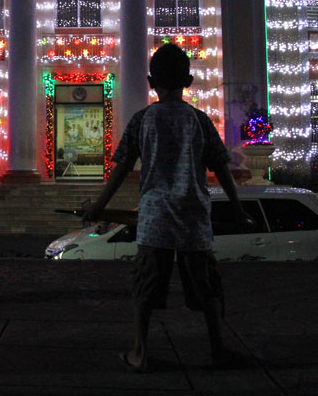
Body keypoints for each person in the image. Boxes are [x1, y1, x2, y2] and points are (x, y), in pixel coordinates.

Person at [84, 43, 255, 373]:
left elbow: (121, 168)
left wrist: (99, 206)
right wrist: (236, 208)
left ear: (150, 82)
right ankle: (217, 349)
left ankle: (140, 351)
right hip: (193, 215)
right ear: (188, 81)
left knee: (146, 287)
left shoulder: (142, 120)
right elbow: (220, 167)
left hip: (155, 216)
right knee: (206, 287)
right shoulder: (199, 120)